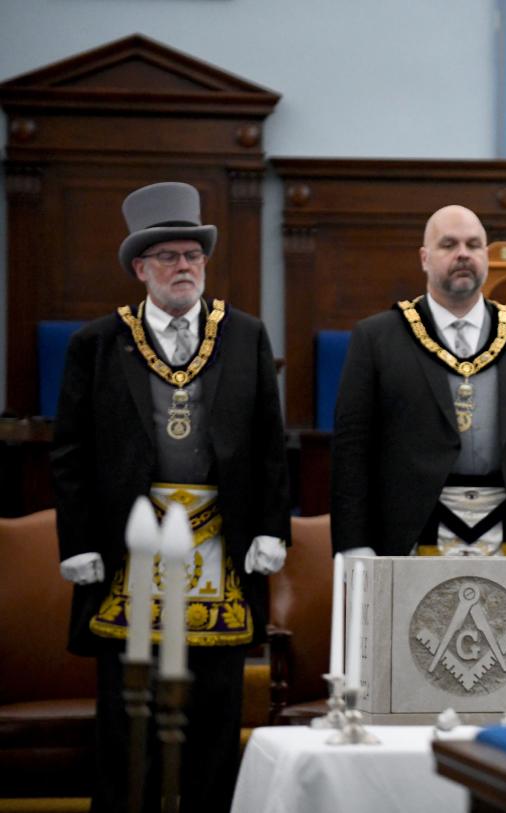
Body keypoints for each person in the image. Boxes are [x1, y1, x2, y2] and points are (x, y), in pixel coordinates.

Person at [52, 181, 291, 812]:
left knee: (215, 715)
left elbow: (271, 443)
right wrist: (75, 541)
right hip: (128, 547)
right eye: (168, 257)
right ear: (141, 268)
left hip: (220, 543)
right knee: (127, 715)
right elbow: (69, 451)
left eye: (193, 256)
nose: (183, 268)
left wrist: (273, 527)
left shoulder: (244, 336)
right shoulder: (97, 344)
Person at [330, 205, 506, 582]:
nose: (463, 253)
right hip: (408, 532)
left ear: (486, 257)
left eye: (474, 245)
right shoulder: (379, 338)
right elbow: (352, 446)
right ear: (424, 258)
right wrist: (353, 542)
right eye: (449, 244)